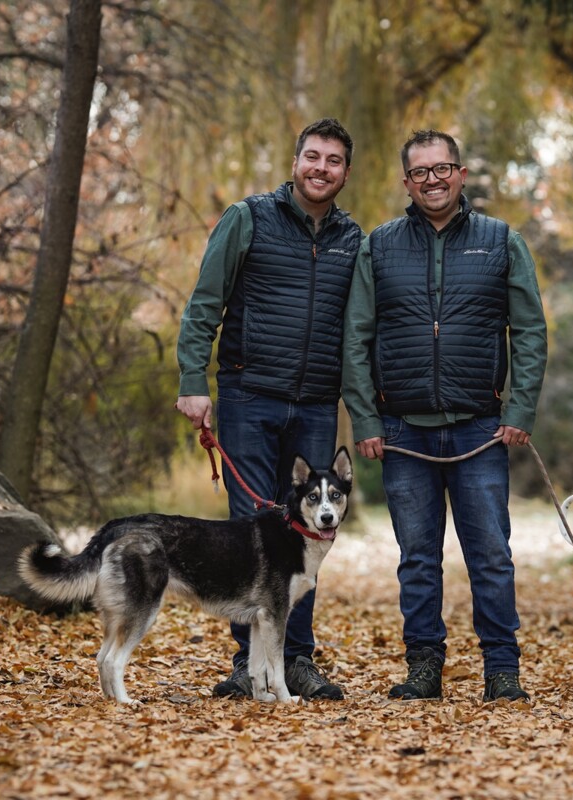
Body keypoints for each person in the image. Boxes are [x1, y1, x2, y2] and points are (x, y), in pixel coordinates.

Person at [342, 129, 547, 702]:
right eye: (421, 172)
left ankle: (502, 671)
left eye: (443, 168)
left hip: (480, 429)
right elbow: (355, 337)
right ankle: (424, 667)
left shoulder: (502, 241)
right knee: (417, 560)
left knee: (491, 556)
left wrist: (520, 408)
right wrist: (365, 419)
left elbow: (529, 331)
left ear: (460, 174)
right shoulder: (379, 245)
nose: (433, 179)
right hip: (403, 431)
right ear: (407, 182)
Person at [175, 118, 361, 700]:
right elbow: (206, 300)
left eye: (333, 160)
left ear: (345, 173)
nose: (321, 168)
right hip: (248, 396)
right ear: (296, 160)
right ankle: (245, 661)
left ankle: (297, 661)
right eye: (312, 156)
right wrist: (192, 379)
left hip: (312, 403)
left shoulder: (353, 239)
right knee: (250, 530)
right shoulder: (248, 217)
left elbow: (360, 328)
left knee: (307, 532)